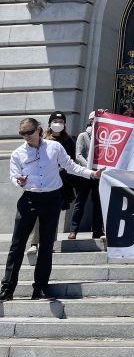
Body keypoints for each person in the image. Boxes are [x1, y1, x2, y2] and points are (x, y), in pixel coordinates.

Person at [1, 117, 104, 301]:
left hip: (52, 198)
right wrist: (19, 180)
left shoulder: (54, 147)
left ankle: (40, 288)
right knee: (17, 245)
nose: (26, 136)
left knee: (47, 245)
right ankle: (7, 288)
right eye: (22, 133)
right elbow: (13, 175)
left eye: (29, 132)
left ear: (38, 130)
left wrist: (91, 174)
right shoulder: (18, 153)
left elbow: (70, 166)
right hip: (29, 198)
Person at [70, 111, 104, 239]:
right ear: (91, 121)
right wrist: (89, 169)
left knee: (98, 202)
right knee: (80, 202)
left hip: (99, 175)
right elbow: (78, 155)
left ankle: (97, 230)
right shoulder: (83, 135)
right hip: (85, 174)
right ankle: (74, 230)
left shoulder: (103, 136)